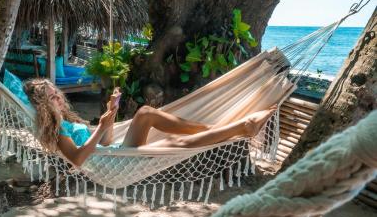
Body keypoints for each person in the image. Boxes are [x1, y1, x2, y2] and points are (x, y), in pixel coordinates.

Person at [24, 79, 277, 167]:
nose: (58, 96)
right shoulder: (58, 132)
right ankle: (242, 128)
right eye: (51, 96)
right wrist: (100, 126)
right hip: (112, 164)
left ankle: (217, 129)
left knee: (145, 113)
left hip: (112, 153)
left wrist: (111, 115)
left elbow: (107, 141)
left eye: (55, 91)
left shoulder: (68, 120)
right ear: (43, 105)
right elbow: (78, 161)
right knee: (172, 142)